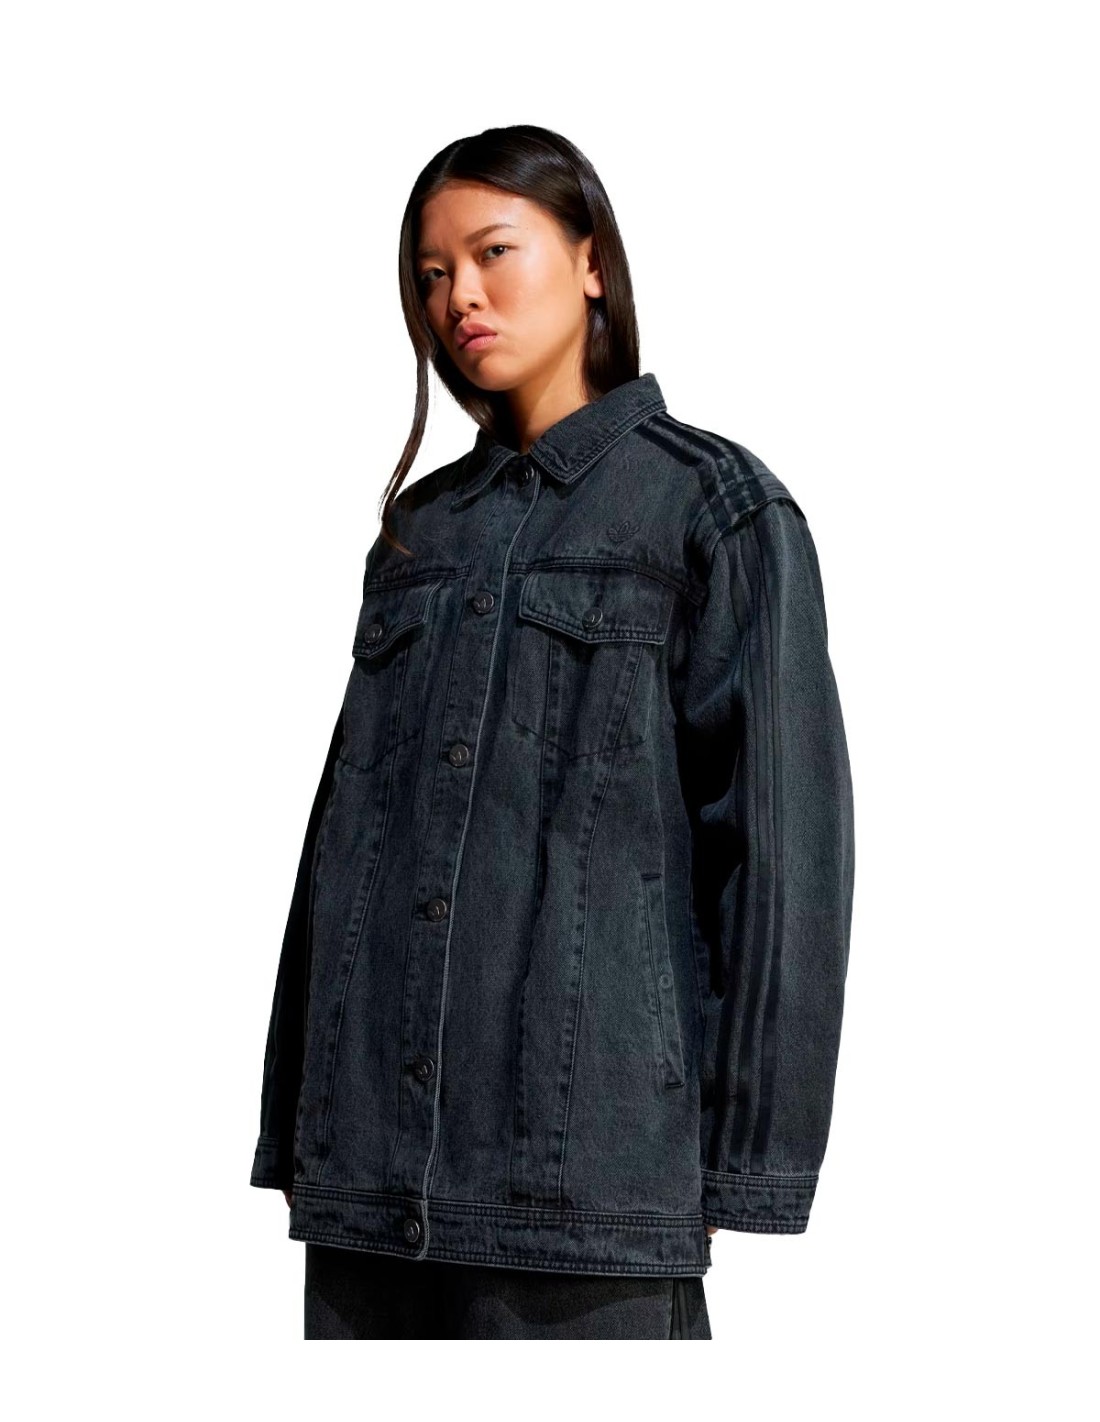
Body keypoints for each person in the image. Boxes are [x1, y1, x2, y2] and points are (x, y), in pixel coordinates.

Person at [249, 124, 855, 1340]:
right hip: (368, 1189)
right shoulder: (420, 533)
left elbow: (783, 859)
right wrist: (298, 1128)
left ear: (588, 261)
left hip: (588, 1185)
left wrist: (743, 1163)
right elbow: (342, 849)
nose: (458, 299)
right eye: (432, 273)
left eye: (493, 252)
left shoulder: (713, 507)